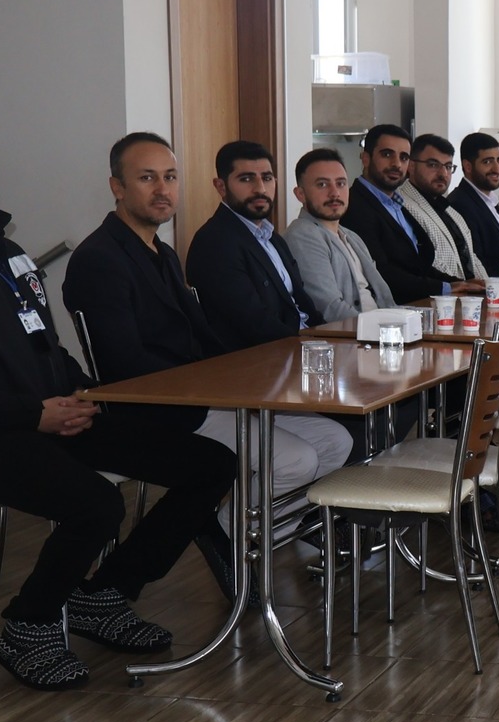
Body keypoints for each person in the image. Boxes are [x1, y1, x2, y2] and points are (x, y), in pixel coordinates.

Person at [0, 133, 235, 689]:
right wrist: (32, 414)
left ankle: (104, 594)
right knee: (96, 504)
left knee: (210, 464)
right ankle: (28, 626)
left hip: (50, 420)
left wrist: (80, 395)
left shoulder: (8, 254)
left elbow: (45, 347)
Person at [69, 133, 355, 514]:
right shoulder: (99, 258)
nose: (162, 189)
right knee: (296, 460)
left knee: (336, 441)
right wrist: (210, 386)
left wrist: (235, 379)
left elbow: (202, 334)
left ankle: (269, 537)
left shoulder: (162, 252)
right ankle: (230, 537)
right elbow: (123, 362)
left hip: (206, 394)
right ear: (117, 187)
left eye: (170, 177)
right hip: (162, 406)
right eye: (147, 177)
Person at [185, 141, 322, 350]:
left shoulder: (274, 239)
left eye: (266, 178)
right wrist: (309, 348)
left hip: (299, 348)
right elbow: (253, 324)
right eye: (246, 179)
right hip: (261, 359)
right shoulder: (214, 243)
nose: (260, 189)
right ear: (221, 186)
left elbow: (303, 304)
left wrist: (330, 340)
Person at [341, 124, 465, 301]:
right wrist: (445, 288)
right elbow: (380, 272)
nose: (396, 164)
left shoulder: (397, 204)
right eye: (387, 154)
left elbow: (418, 266)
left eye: (404, 157)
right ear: (366, 158)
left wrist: (459, 284)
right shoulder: (354, 205)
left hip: (419, 306)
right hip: (388, 310)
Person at [284, 147, 396, 323]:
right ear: (301, 194)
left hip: (381, 328)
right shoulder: (302, 234)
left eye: (341, 183)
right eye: (322, 184)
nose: (334, 193)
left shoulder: (352, 237)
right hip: (354, 335)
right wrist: (381, 329)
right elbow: (329, 308)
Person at [398, 133, 484, 284]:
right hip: (441, 293)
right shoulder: (402, 206)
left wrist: (489, 288)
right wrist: (462, 287)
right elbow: (428, 263)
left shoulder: (450, 210)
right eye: (433, 165)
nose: (443, 174)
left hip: (468, 294)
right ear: (411, 165)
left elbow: (471, 257)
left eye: (448, 166)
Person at [451, 131, 499, 275]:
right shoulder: (459, 204)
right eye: (487, 162)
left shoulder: (491, 201)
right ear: (468, 166)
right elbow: (476, 265)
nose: (497, 169)